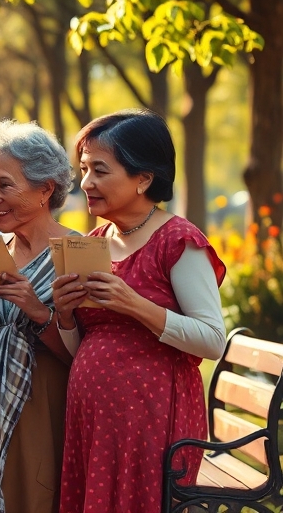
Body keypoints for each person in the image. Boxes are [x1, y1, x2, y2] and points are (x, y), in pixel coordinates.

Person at [52, 110, 226, 513]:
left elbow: (212, 339)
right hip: (94, 420)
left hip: (150, 419)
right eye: (83, 169)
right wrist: (63, 315)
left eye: (100, 170)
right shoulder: (94, 241)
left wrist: (134, 305)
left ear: (143, 178)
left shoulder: (177, 240)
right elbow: (86, 344)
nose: (86, 183)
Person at [0, 120, 78, 513]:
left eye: (6, 185)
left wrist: (38, 312)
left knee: (34, 496)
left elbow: (82, 356)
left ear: (45, 189)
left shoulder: (76, 252)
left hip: (45, 406)